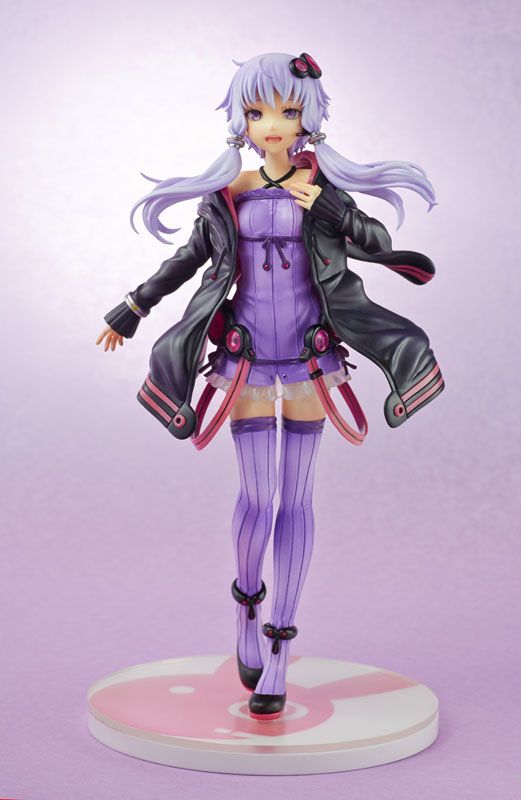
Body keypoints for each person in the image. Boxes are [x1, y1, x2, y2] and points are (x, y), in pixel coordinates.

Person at [96, 52, 444, 720]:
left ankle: (281, 649)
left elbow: (375, 242)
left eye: (288, 110)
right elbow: (188, 259)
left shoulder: (322, 189)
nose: (273, 124)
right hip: (247, 361)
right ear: (242, 121)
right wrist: (133, 307)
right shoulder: (229, 192)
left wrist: (332, 208)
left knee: (297, 501)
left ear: (309, 117)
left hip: (311, 361)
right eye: (258, 111)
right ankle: (246, 609)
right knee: (257, 498)